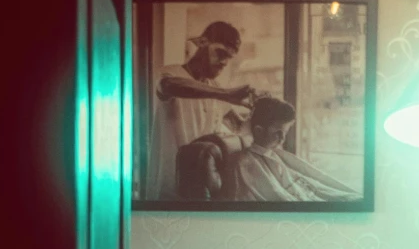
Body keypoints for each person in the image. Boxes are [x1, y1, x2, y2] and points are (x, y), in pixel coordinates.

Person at [150, 19, 253, 197]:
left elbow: (238, 127)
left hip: (201, 187)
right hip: (169, 187)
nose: (224, 62)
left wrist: (257, 111)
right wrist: (225, 94)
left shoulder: (215, 87)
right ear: (203, 42)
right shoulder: (169, 74)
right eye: (220, 52)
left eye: (229, 57)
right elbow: (169, 85)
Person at [232, 97, 357, 204]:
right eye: (277, 133)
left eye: (285, 133)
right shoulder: (248, 163)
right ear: (259, 131)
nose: (282, 139)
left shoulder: (277, 155)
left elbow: (315, 180)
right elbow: (277, 196)